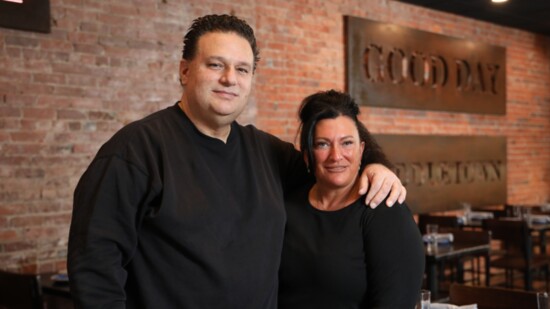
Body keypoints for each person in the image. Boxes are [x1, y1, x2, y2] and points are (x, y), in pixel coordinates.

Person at [67, 14, 407, 308]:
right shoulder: (136, 151)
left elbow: (329, 160)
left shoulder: (268, 154)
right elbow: (94, 266)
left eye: (242, 69)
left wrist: (375, 162)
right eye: (215, 65)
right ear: (185, 71)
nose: (230, 78)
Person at [278, 90, 424, 308]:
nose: (336, 156)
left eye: (346, 143)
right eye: (323, 144)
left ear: (361, 149)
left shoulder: (384, 210)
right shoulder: (287, 207)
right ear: (307, 155)